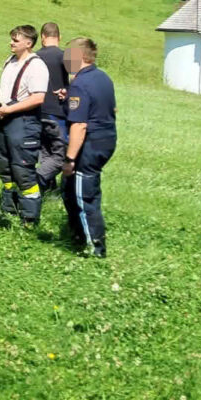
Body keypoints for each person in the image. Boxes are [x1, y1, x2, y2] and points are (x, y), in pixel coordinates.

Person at [0, 25, 49, 226]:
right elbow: (2, 89)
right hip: (4, 120)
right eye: (11, 39)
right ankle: (8, 210)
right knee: (5, 168)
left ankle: (29, 219)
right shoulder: (10, 61)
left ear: (28, 43)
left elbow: (39, 97)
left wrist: (9, 110)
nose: (11, 43)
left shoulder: (36, 66)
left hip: (23, 123)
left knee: (23, 170)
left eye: (16, 40)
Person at [62, 37, 117, 258]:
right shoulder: (103, 78)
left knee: (85, 196)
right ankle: (76, 236)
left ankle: (95, 249)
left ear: (79, 56)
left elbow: (80, 125)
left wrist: (69, 159)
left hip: (90, 144)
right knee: (68, 188)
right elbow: (111, 109)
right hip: (107, 138)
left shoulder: (79, 84)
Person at [35, 22, 70, 192]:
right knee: (60, 155)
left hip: (36, 111)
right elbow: (83, 78)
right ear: (59, 37)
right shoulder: (66, 55)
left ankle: (48, 191)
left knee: (46, 153)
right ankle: (35, 183)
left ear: (42, 37)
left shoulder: (33, 57)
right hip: (58, 112)